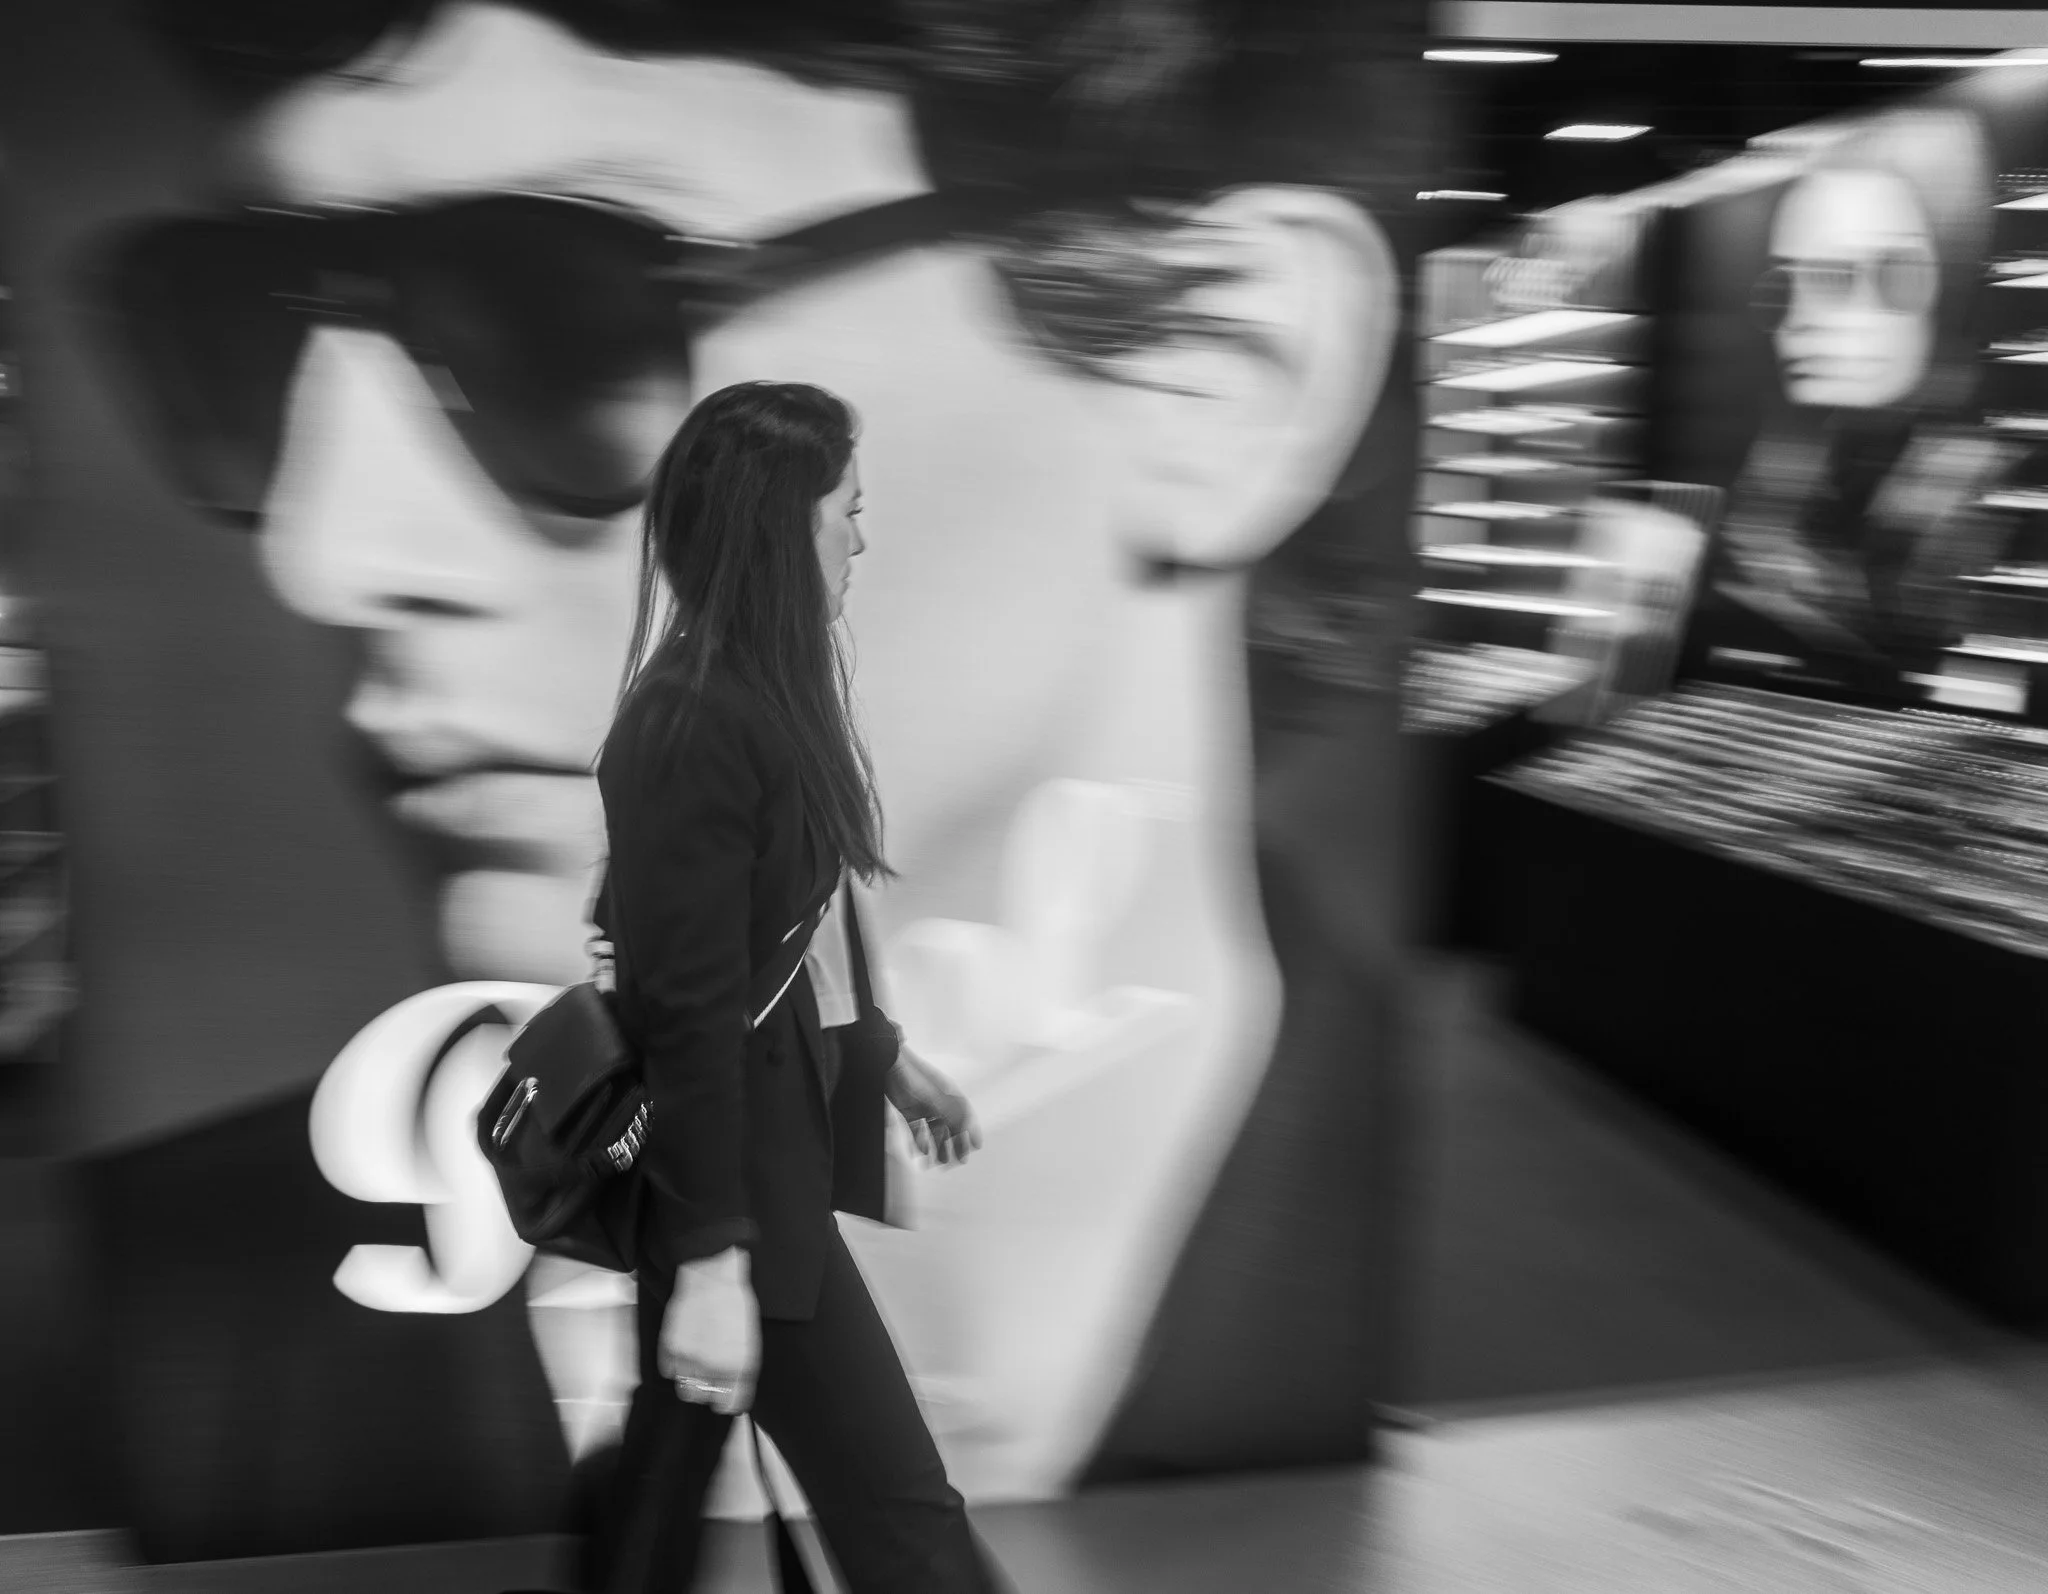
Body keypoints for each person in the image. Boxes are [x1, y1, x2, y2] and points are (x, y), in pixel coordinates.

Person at [83, 0, 1420, 1555]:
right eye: (237, 337)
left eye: (557, 318)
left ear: (1220, 369)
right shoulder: (188, 1308)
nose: (332, 553)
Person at [580, 379, 998, 1591]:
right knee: (903, 1518)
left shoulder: (758, 699)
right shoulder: (687, 723)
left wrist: (883, 1055)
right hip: (743, 1200)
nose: (860, 538)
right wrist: (715, 1263)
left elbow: (796, 932)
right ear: (783, 527)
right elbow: (692, 1017)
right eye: (845, 512)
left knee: (661, 1503)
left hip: (749, 1179)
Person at [1695, 105, 2014, 700]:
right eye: (1787, 282)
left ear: (1939, 282)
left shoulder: (1978, 489)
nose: (1799, 319)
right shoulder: (1793, 476)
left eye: (1844, 278)